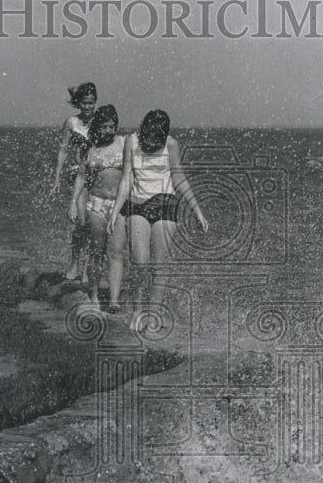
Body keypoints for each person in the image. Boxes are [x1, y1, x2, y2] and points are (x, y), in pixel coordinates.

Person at [107, 109, 208, 328]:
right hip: (138, 204)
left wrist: (197, 210)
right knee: (140, 263)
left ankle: (153, 315)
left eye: (157, 138)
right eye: (149, 137)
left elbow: (178, 176)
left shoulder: (171, 144)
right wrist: (115, 211)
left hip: (166, 203)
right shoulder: (131, 142)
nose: (153, 142)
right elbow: (127, 178)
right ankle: (137, 311)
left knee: (160, 265)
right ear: (143, 130)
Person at [70, 105, 126, 311]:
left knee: (116, 252)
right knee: (97, 251)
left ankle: (113, 300)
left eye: (112, 126)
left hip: (118, 205)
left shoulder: (124, 143)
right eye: (104, 127)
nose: (108, 131)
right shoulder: (91, 149)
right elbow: (82, 178)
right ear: (97, 127)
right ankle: (93, 294)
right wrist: (75, 203)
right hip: (97, 203)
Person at [51, 82, 97, 281]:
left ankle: (86, 267)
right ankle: (74, 263)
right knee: (80, 220)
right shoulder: (71, 123)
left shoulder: (100, 120)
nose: (88, 107)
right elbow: (63, 150)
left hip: (95, 175)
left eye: (92, 103)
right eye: (85, 103)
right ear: (79, 103)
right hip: (76, 173)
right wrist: (56, 179)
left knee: (91, 222)